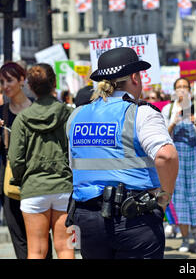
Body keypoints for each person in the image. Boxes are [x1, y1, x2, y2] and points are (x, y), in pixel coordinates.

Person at [66, 47, 179, 259]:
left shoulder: (76, 115)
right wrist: (164, 197)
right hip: (133, 218)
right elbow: (167, 156)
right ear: (135, 77)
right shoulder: (140, 112)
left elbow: (74, 163)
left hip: (87, 219)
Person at [8, 64, 74, 259]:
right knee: (66, 249)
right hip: (64, 187)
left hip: (34, 188)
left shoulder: (22, 119)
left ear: (30, 86)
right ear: (54, 83)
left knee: (36, 251)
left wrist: (22, 179)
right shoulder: (68, 113)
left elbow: (16, 159)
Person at [0, 62, 47, 259]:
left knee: (40, 237)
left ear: (21, 80)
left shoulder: (37, 109)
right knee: (18, 236)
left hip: (34, 180)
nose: (5, 86)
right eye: (2, 82)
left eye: (9, 80)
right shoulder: (1, 112)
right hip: (8, 182)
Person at [161, 77, 196, 252]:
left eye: (185, 87)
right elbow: (163, 135)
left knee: (195, 196)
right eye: (179, 87)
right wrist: (174, 120)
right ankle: (185, 238)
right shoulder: (168, 109)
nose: (182, 90)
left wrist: (195, 120)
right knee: (179, 197)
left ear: (190, 90)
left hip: (193, 159)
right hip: (176, 161)